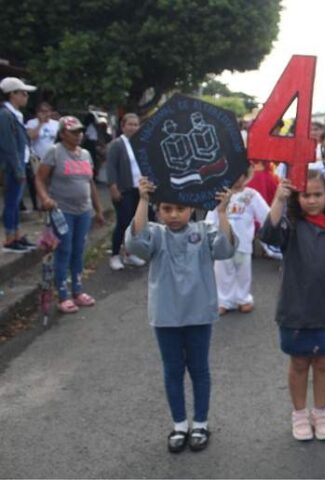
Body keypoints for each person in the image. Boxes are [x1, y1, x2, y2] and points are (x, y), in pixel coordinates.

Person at [125, 177, 236, 453]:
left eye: (180, 209)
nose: (173, 215)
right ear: (158, 211)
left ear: (192, 210)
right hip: (166, 316)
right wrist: (142, 199)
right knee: (172, 371)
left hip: (199, 314)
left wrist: (222, 211)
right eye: (166, 209)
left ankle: (200, 422)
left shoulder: (205, 230)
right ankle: (179, 424)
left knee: (199, 369)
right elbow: (136, 243)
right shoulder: (155, 234)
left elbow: (225, 248)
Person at [260, 170, 325, 441]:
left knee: (324, 362)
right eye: (306, 195)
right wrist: (279, 200)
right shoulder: (290, 225)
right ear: (297, 196)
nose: (312, 200)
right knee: (300, 362)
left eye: (318, 194)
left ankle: (321, 412)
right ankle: (300, 413)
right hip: (295, 309)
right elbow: (268, 235)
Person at [35, 116, 105, 313]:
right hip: (62, 211)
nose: (78, 135)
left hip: (84, 211)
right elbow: (39, 179)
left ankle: (78, 290)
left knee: (79, 250)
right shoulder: (54, 152)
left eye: (80, 131)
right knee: (63, 250)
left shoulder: (85, 154)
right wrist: (45, 199)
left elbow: (90, 183)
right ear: (63, 133)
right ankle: (63, 295)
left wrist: (98, 210)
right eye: (73, 132)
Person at [206, 164, 269, 314]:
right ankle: (223, 300)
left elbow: (265, 215)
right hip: (222, 243)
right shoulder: (219, 195)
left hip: (244, 243)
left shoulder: (251, 195)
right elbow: (211, 217)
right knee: (222, 272)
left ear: (245, 175)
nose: (237, 179)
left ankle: (243, 298)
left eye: (240, 174)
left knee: (243, 272)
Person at [106, 113, 147, 271]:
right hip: (124, 189)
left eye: (136, 124)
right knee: (123, 223)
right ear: (123, 126)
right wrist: (113, 187)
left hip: (139, 189)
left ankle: (130, 254)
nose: (133, 127)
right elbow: (111, 167)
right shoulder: (117, 144)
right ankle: (115, 254)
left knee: (136, 224)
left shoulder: (140, 144)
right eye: (130, 124)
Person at [0, 77, 36, 252]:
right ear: (12, 94)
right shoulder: (5, 115)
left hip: (22, 162)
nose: (26, 96)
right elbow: (8, 146)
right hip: (12, 166)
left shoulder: (16, 114)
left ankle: (16, 235)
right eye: (23, 93)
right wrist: (17, 168)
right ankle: (9, 237)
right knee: (11, 202)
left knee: (16, 202)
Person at [26, 102, 60, 211]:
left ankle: (51, 202)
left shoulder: (56, 124)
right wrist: (40, 123)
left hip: (52, 156)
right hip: (37, 157)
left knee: (52, 181)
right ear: (38, 113)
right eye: (43, 112)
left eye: (47, 111)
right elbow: (31, 136)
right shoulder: (32, 123)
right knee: (39, 180)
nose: (46, 114)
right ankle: (40, 204)